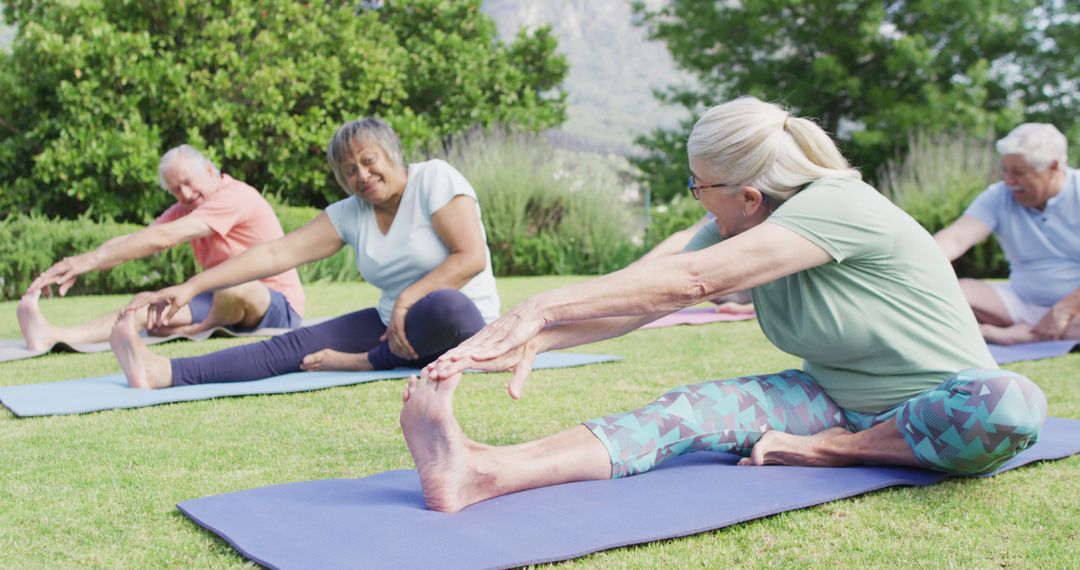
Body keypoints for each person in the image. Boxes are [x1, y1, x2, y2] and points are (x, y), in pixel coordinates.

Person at [400, 97, 1047, 514]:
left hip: (941, 406)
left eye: (698, 184)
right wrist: (536, 338)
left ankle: (830, 451)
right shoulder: (737, 226)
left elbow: (693, 284)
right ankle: (482, 470)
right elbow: (642, 294)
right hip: (829, 397)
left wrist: (542, 305)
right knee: (684, 411)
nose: (694, 199)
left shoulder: (841, 206)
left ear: (749, 193)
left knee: (1012, 402)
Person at [109, 117, 500, 390]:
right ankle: (161, 371)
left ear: (391, 152)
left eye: (368, 161)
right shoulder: (351, 212)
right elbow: (275, 254)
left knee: (446, 306)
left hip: (461, 321)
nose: (361, 176)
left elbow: (470, 258)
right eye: (348, 171)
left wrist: (407, 301)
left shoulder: (434, 178)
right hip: (392, 323)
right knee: (292, 346)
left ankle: (365, 360)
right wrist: (192, 287)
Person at [17, 145, 306, 350]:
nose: (186, 195)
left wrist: (88, 261)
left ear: (209, 170)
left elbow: (166, 237)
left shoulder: (237, 196)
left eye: (188, 184)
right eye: (176, 190)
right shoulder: (187, 206)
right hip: (217, 296)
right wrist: (79, 262)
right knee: (147, 307)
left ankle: (200, 327)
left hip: (276, 305)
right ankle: (54, 335)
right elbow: (142, 239)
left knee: (234, 286)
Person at [934, 123, 1080, 345]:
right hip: (1019, 302)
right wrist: (914, 262)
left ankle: (1018, 335)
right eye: (1005, 170)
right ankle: (1012, 333)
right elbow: (956, 238)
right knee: (956, 291)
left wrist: (1068, 306)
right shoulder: (998, 196)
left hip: (1074, 309)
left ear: (1053, 167)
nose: (1008, 181)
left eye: (1019, 173)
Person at [639, 213, 753, 314]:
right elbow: (683, 237)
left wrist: (745, 309)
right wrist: (641, 266)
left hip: (743, 292)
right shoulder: (718, 212)